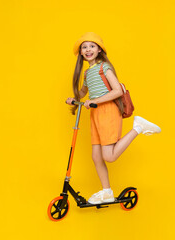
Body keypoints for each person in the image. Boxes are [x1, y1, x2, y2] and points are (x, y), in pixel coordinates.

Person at [66, 32, 161, 204]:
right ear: (80, 52)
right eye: (84, 47)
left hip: (108, 111)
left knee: (108, 156)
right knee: (96, 156)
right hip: (95, 114)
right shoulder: (88, 73)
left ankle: (138, 127)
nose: (88, 49)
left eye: (92, 46)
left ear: (99, 49)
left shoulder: (104, 68)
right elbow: (83, 92)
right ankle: (107, 191)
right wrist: (74, 98)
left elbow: (117, 90)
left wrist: (94, 101)